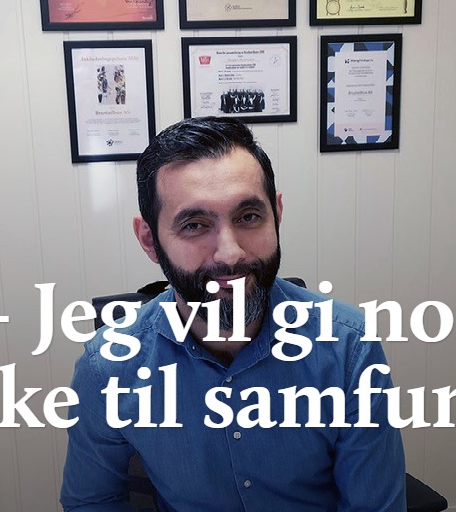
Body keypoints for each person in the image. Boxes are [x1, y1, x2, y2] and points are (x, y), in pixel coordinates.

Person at [60, 117, 406, 511]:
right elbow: (91, 502)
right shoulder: (107, 368)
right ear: (150, 241)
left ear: (276, 213)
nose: (230, 253)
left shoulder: (348, 350)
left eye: (248, 217)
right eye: (194, 225)